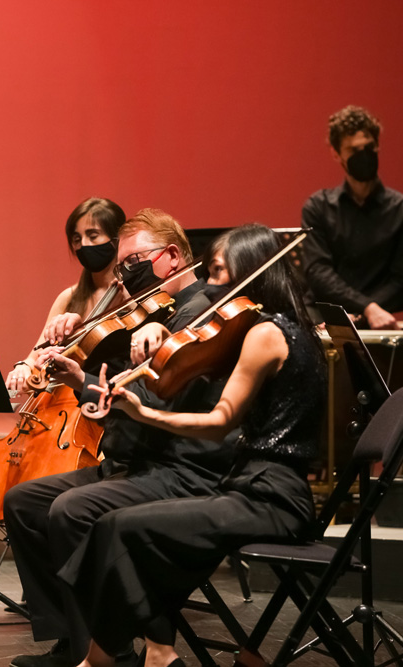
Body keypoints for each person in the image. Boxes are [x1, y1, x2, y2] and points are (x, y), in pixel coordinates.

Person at [60, 223, 326, 667]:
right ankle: (141, 657)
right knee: (118, 526)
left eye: (220, 271)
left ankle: (114, 660)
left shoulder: (265, 334)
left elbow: (219, 421)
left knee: (122, 528)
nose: (212, 283)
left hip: (270, 497)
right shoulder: (291, 329)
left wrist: (145, 413)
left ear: (251, 271)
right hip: (254, 489)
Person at [4, 209, 235, 667]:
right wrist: (77, 377)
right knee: (24, 503)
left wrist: (160, 330)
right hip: (135, 460)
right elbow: (121, 397)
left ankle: (110, 648)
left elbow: (159, 404)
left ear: (171, 258)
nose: (123, 274)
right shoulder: (146, 317)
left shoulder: (202, 314)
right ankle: (76, 639)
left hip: (176, 465)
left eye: (133, 262)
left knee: (69, 510)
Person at [301, 105, 403, 330]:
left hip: (378, 322)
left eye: (368, 147)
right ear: (336, 154)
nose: (363, 155)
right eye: (353, 150)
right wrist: (366, 307)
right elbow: (318, 272)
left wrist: (367, 312)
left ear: (378, 146)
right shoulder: (318, 207)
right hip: (324, 320)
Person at [5, 197, 128, 395]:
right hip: (63, 404)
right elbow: (34, 357)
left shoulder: (130, 295)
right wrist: (23, 367)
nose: (84, 245)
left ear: (117, 238)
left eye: (93, 235)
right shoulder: (68, 298)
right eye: (77, 239)